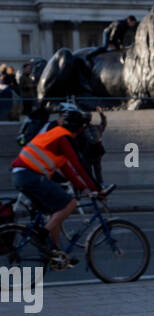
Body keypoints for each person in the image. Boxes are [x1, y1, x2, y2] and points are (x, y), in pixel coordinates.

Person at [10, 106, 102, 257]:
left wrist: (83, 187)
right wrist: (96, 188)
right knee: (70, 204)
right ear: (78, 130)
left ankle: (55, 254)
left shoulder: (55, 135)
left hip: (21, 175)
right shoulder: (63, 138)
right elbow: (79, 166)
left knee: (55, 212)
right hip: (30, 175)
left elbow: (68, 170)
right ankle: (41, 235)